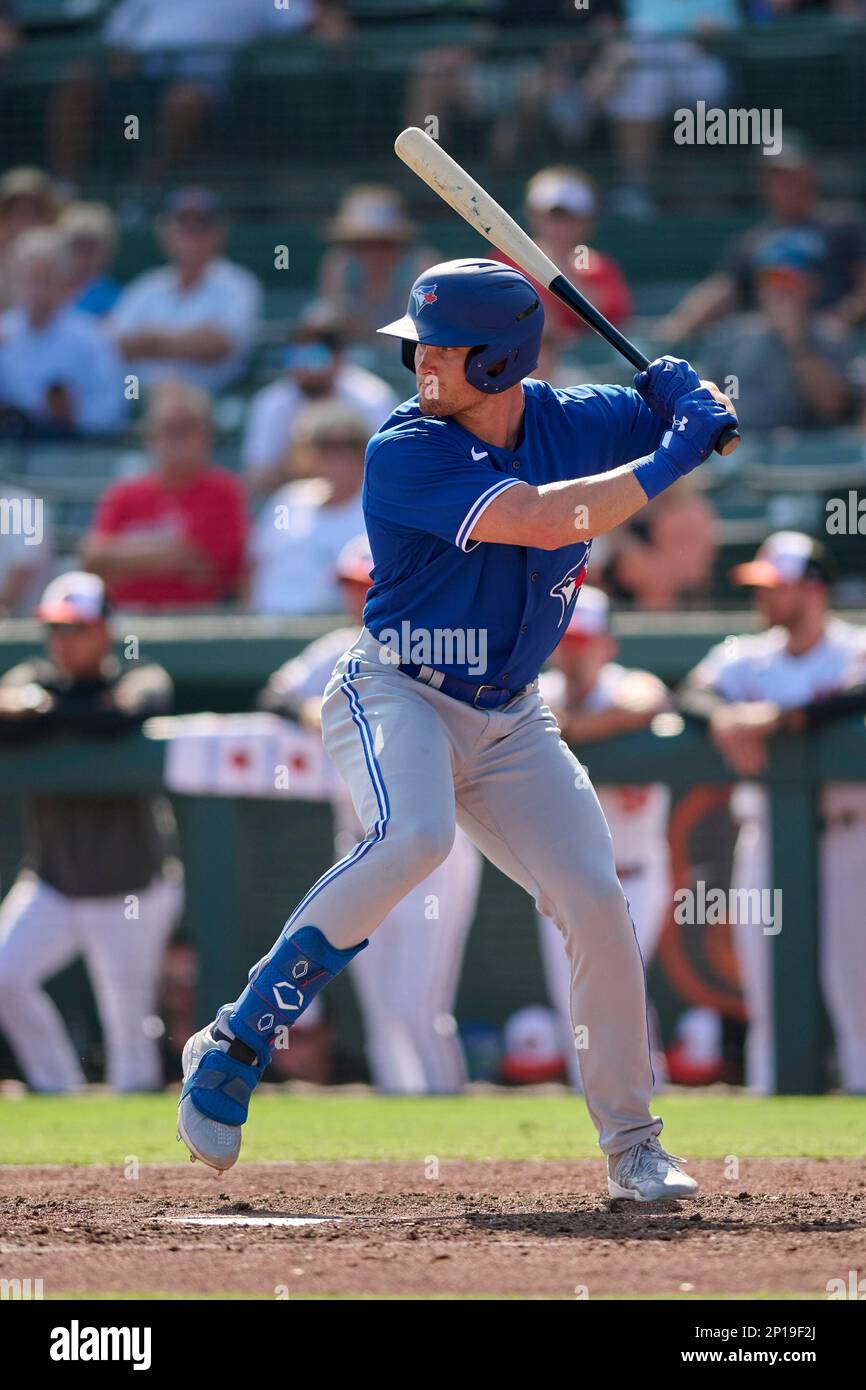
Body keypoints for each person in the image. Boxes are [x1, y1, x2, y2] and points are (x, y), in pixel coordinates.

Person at [176, 256, 737, 1200]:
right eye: (418, 346)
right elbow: (552, 514)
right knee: (418, 837)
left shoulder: (569, 419)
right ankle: (240, 1033)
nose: (420, 363)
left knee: (597, 902)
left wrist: (686, 387)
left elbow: (672, 414)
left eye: (439, 348)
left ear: (499, 359)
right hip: (398, 688)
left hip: (512, 716)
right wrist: (680, 444)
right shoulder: (404, 447)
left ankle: (634, 1144)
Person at [258, 534, 482, 1092]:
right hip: (359, 843)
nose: (359, 598)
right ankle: (404, 1147)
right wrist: (308, 709)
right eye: (351, 587)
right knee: (382, 1009)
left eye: (368, 585)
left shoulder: (432, 642)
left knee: (419, 1005)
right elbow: (273, 694)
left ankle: (454, 1121)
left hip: (430, 844)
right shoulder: (335, 652)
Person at [680, 532, 866, 1094]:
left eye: (775, 587)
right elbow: (690, 693)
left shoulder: (853, 648)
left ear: (812, 588)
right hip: (765, 837)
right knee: (767, 996)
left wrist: (780, 718)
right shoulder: (747, 654)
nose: (763, 599)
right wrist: (724, 719)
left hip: (849, 837)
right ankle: (770, 1152)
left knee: (858, 1000)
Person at [0, 572, 181, 1092]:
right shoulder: (31, 674)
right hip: (53, 880)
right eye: (55, 629)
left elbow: (124, 715)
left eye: (76, 628)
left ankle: (144, 1162)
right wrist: (43, 708)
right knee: (8, 976)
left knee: (128, 1029)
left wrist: (47, 712)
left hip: (131, 884)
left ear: (105, 631)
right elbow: (8, 714)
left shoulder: (137, 674)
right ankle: (58, 1091)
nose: (63, 641)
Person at [536, 588, 672, 1089]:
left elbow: (646, 704)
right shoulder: (537, 691)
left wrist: (578, 729)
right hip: (564, 878)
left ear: (606, 645)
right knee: (574, 1004)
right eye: (565, 639)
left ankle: (645, 1103)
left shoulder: (631, 686)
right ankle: (593, 1116)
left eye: (584, 640)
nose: (573, 651)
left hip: (635, 874)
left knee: (618, 991)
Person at [657, 139, 866, 343]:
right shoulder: (754, 241)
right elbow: (722, 290)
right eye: (774, 179)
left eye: (791, 176)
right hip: (769, 338)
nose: (783, 186)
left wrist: (840, 319)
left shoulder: (844, 224)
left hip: (832, 339)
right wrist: (678, 327)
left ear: (809, 175)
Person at [82, 381, 248, 611]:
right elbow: (92, 558)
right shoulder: (124, 494)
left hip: (197, 622)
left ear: (206, 436)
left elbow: (202, 565)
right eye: (166, 429)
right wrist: (169, 551)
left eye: (186, 429)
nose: (175, 440)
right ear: (150, 437)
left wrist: (123, 555)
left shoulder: (225, 492)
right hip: (125, 618)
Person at [109, 188, 262, 394]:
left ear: (219, 233)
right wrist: (185, 343)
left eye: (202, 225)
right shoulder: (146, 286)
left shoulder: (238, 284)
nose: (191, 234)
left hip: (210, 399)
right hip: (140, 398)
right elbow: (115, 344)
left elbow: (218, 346)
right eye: (183, 225)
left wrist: (150, 342)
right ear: (165, 233)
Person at [698, 233, 854, 432]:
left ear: (812, 285)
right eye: (770, 278)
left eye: (788, 279)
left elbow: (832, 407)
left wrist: (796, 341)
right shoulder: (729, 336)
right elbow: (708, 401)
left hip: (803, 454)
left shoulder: (832, 338)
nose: (778, 289)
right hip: (738, 448)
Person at [241, 303, 397, 498]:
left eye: (315, 357)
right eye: (295, 356)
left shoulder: (372, 397)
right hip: (298, 504)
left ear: (339, 358)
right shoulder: (270, 402)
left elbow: (389, 467)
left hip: (364, 500)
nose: (303, 366)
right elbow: (258, 476)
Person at [0, 228, 127, 438]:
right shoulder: (4, 332)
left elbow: (117, 405)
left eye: (43, 278)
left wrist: (73, 414)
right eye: (27, 278)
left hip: (72, 454)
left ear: (63, 281)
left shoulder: (92, 337)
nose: (35, 289)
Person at [247, 400, 366, 616]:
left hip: (335, 632)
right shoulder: (286, 501)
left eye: (348, 446)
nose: (336, 457)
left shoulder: (376, 512)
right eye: (325, 447)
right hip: (267, 627)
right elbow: (256, 565)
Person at [496, 167, 632, 344]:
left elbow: (615, 318)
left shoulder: (600, 266)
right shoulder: (506, 261)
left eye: (571, 217)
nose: (561, 225)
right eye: (554, 216)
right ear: (533, 215)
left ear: (587, 220)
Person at [316, 186, 437, 346]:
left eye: (384, 244)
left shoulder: (423, 266)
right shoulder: (339, 264)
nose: (374, 253)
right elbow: (334, 314)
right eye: (362, 245)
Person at [59, 202, 122, 318]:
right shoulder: (47, 287)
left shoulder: (116, 298)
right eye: (77, 246)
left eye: (91, 247)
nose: (83, 255)